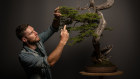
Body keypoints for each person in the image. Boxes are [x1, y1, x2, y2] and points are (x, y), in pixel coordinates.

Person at [16, 7, 69, 79]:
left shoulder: (37, 40)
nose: (36, 33)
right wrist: (62, 41)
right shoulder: (24, 56)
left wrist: (56, 18)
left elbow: (52, 28)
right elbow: (49, 63)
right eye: (31, 33)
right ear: (24, 39)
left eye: (34, 30)